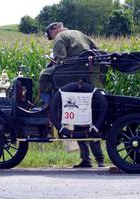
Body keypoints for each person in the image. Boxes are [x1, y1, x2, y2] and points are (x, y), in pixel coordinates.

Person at [42, 22, 105, 168]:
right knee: (89, 121)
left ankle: (45, 103)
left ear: (54, 30)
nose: (52, 38)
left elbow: (60, 60)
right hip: (88, 78)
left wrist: (53, 64)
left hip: (70, 77)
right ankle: (97, 159)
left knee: (44, 75)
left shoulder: (60, 37)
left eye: (50, 35)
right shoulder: (79, 32)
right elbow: (96, 50)